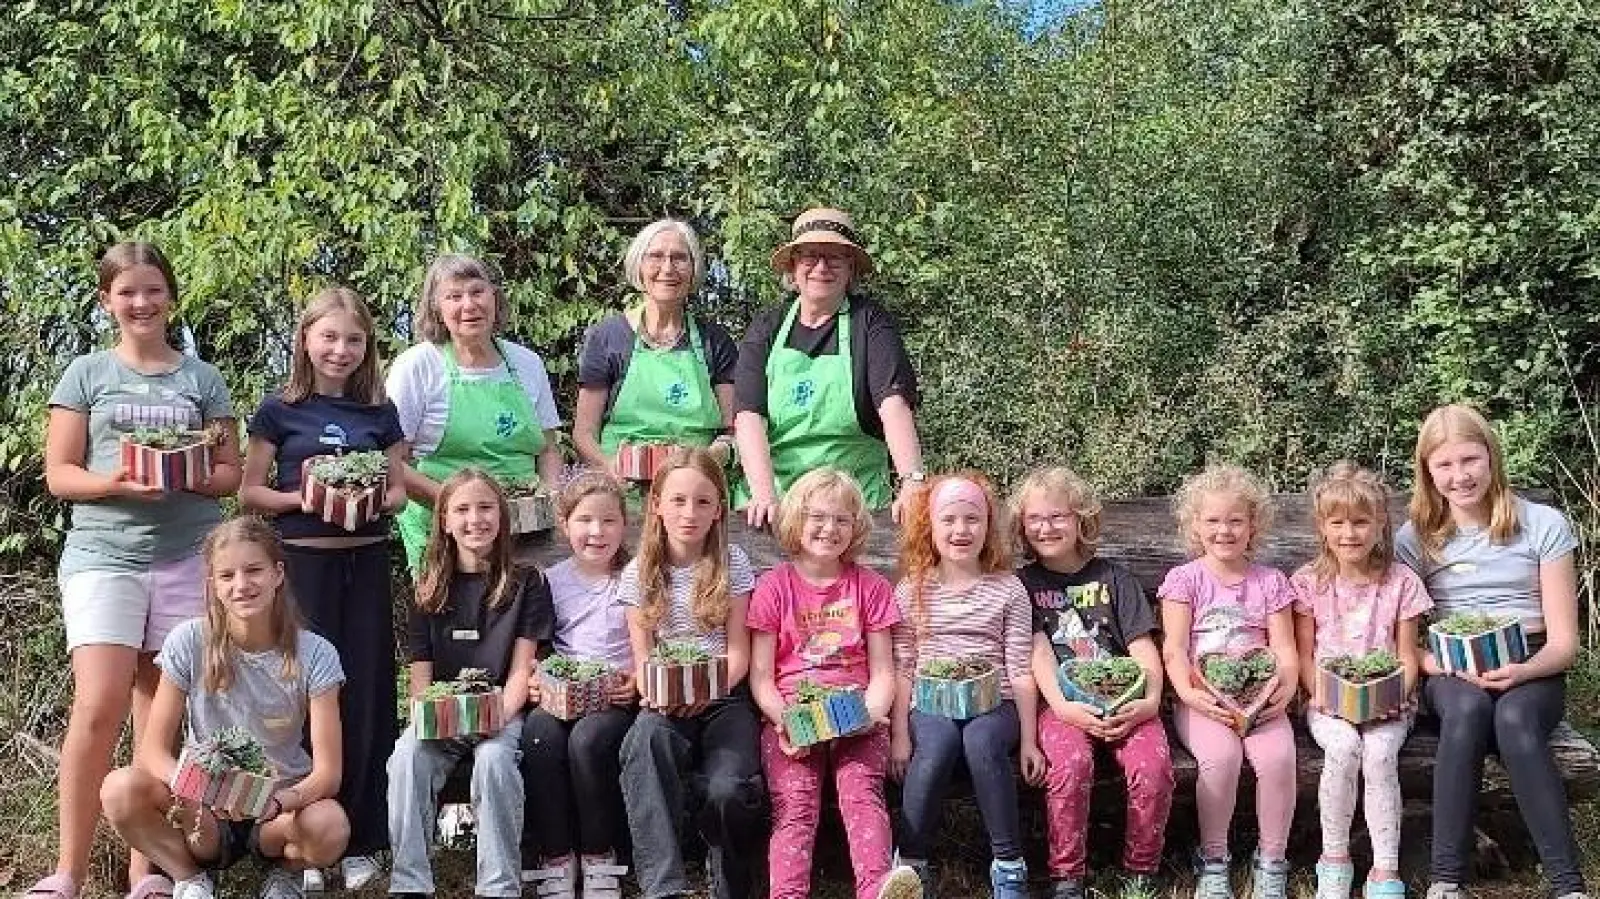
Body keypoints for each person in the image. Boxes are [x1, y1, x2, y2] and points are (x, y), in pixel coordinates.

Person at [33, 241, 242, 899]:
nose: (142, 302)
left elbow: (231, 473)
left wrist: (188, 474)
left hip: (189, 556)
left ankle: (145, 870)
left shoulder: (202, 379)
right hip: (104, 557)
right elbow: (60, 474)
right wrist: (118, 483)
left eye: (153, 290)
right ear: (107, 302)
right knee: (97, 706)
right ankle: (67, 871)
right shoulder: (87, 373)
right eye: (127, 292)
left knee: (163, 717)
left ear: (170, 296)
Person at [240, 287, 407, 891]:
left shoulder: (380, 413)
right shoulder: (278, 411)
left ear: (367, 348)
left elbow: (395, 489)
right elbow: (250, 491)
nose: (341, 350)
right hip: (302, 569)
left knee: (365, 698)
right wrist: (302, 498)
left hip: (363, 566)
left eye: (354, 339)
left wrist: (373, 500)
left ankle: (364, 838)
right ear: (306, 340)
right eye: (329, 337)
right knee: (302, 698)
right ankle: (307, 838)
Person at [1395, 405, 1590, 899]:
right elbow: (1404, 642)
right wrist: (1440, 664)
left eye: (1470, 460)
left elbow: (1565, 644)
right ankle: (1446, 879)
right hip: (1451, 670)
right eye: (1444, 465)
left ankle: (1568, 886)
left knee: (1514, 722)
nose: (1460, 476)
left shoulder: (1542, 524)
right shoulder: (1415, 538)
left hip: (1533, 662)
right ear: (1427, 471)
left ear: (1491, 459)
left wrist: (1522, 672)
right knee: (1468, 711)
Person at [98, 517, 350, 899]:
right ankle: (189, 876)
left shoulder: (315, 653)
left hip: (278, 810)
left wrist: (279, 801)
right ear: (212, 585)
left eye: (254, 571)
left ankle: (286, 873)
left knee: (331, 825)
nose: (241, 585)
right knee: (119, 788)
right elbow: (151, 752)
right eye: (227, 576)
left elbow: (328, 774)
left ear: (278, 574)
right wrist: (198, 790)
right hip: (204, 808)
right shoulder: (187, 641)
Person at [746, 468, 923, 899]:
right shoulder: (774, 587)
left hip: (857, 715)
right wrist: (784, 719)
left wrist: (870, 714)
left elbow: (883, 671)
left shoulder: (871, 587)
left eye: (842, 520)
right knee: (795, 805)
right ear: (796, 521)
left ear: (856, 527)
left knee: (862, 795)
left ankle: (877, 888)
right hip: (793, 718)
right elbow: (762, 677)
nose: (830, 529)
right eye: (818, 517)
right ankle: (787, 894)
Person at [386, 469, 553, 899]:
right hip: (443, 715)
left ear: (502, 517)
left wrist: (494, 716)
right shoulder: (428, 587)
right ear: (443, 520)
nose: (474, 519)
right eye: (462, 509)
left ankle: (498, 886)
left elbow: (521, 670)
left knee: (496, 761)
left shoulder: (526, 582)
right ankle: (410, 882)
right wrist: (440, 714)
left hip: (502, 711)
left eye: (485, 508)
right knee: (406, 756)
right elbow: (421, 680)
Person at [1012, 467, 1173, 899]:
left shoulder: (1113, 579)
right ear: (1022, 526)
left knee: (1152, 767)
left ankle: (1141, 871)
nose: (1046, 528)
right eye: (1035, 519)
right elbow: (1039, 654)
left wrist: (1150, 701)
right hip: (1061, 706)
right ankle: (1067, 876)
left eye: (1058, 517)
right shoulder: (1022, 586)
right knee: (1069, 765)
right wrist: (1065, 708)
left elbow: (1142, 650)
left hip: (1126, 700)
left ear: (1081, 519)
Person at [616, 448, 767, 899]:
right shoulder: (639, 572)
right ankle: (663, 886)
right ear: (656, 505)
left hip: (725, 693)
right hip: (666, 696)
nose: (689, 513)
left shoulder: (733, 563)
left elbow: (739, 653)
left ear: (719, 509)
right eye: (678, 500)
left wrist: (706, 687)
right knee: (643, 743)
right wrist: (663, 691)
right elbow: (643, 660)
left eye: (703, 502)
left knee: (727, 788)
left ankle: (731, 881)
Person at [889, 472, 1043, 899]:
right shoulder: (913, 590)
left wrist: (1030, 741)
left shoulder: (1008, 589)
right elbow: (904, 667)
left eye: (972, 519)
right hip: (929, 701)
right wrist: (900, 735)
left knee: (980, 741)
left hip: (997, 703)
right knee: (936, 745)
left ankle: (1009, 865)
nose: (961, 530)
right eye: (949, 520)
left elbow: (1021, 669)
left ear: (988, 527)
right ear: (931, 528)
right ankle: (911, 865)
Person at [733, 208, 926, 527]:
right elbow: (749, 416)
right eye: (810, 256)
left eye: (834, 257)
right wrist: (765, 495)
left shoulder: (870, 323)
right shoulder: (768, 326)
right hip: (777, 504)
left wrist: (913, 481)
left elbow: (893, 404)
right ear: (793, 267)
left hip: (854, 506)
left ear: (850, 269)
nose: (821, 267)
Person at [1159, 464, 1299, 899]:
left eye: (1236, 520)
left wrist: (1286, 690)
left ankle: (1272, 861)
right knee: (1219, 759)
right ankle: (1214, 860)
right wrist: (1187, 693)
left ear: (1253, 524)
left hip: (1260, 699)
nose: (1225, 530)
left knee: (1277, 760)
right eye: (1213, 521)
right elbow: (1175, 648)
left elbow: (1286, 648)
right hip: (1203, 699)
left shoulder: (1270, 582)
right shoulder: (1186, 580)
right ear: (1195, 525)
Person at [1293, 463, 1431, 899]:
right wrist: (1325, 697)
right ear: (1322, 526)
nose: (1349, 533)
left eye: (1360, 522)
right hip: (1327, 701)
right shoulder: (1309, 583)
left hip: (1390, 701)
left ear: (1380, 524)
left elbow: (1408, 655)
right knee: (1344, 747)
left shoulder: (1401, 582)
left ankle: (1385, 868)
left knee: (1379, 752)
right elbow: (1303, 655)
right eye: (1338, 523)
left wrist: (1392, 696)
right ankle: (1334, 860)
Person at [387, 254, 563, 571]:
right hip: (445, 534)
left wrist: (549, 496)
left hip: (525, 533)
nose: (469, 305)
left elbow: (548, 448)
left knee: (524, 616)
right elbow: (392, 461)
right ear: (436, 309)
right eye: (454, 296)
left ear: (494, 297)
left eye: (477, 291)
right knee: (457, 620)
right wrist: (458, 509)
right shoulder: (418, 366)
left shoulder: (527, 364)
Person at [520, 473, 638, 899]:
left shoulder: (634, 577)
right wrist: (536, 678)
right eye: (584, 520)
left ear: (624, 525)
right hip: (561, 693)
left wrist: (638, 682)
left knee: (587, 742)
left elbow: (649, 646)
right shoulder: (550, 581)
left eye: (608, 521)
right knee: (539, 736)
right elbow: (539, 646)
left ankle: (599, 856)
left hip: (614, 696)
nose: (596, 532)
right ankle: (555, 856)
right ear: (565, 524)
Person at [571, 219, 739, 476]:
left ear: (693, 270)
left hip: (696, 485)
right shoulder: (609, 337)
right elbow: (584, 433)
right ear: (638, 266)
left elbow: (732, 430)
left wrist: (712, 457)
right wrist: (609, 468)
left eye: (680, 258)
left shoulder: (714, 341)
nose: (668, 268)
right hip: (623, 490)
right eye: (656, 256)